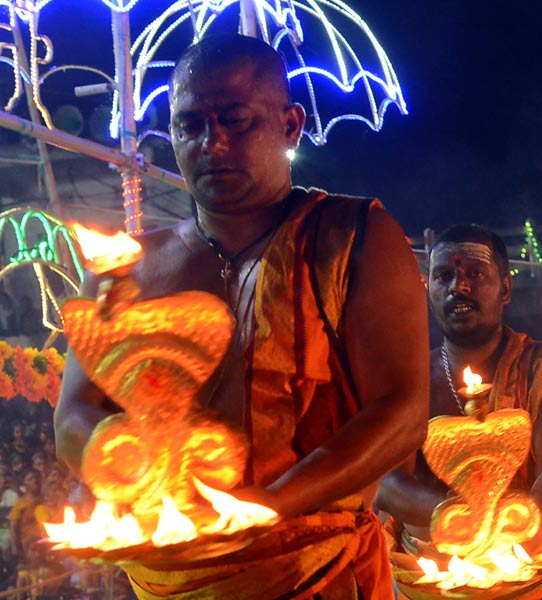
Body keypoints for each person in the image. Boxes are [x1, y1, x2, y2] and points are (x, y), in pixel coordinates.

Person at [53, 33, 429, 599]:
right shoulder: (131, 266)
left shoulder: (353, 236)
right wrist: (137, 465)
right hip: (169, 573)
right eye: (189, 125)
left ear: (290, 124)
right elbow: (73, 417)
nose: (213, 144)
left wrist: (263, 507)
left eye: (236, 120)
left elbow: (402, 412)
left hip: (313, 568)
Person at [377, 224, 542, 598]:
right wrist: (462, 525)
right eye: (444, 276)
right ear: (428, 288)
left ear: (505, 288)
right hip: (430, 576)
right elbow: (384, 479)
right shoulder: (406, 377)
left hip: (522, 568)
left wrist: (508, 539)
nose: (459, 287)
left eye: (475, 273)